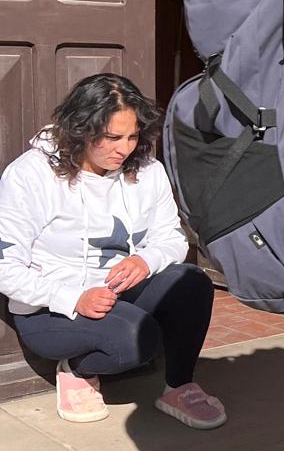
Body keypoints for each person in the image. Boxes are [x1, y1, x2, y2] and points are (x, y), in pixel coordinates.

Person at [0, 74, 225, 428]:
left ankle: (179, 386)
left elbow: (172, 237)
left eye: (133, 136)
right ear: (80, 130)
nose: (125, 149)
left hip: (118, 292)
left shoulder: (148, 171)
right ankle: (76, 369)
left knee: (191, 282)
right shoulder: (30, 175)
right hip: (52, 308)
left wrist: (145, 259)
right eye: (112, 137)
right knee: (137, 342)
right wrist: (72, 298)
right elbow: (6, 268)